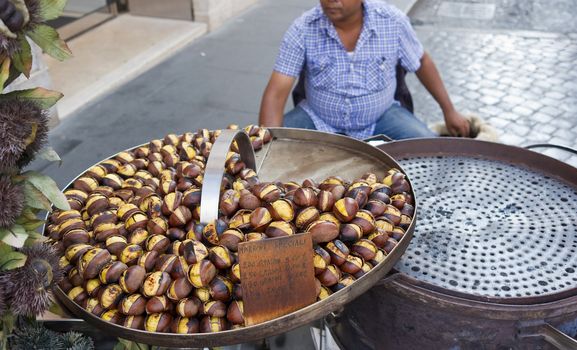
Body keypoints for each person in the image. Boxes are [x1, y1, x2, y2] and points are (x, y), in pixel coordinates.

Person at [258, 0, 470, 140]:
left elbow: (422, 62)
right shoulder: (303, 28)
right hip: (316, 119)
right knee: (263, 144)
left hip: (382, 117)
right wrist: (269, 146)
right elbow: (276, 93)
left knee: (429, 149)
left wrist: (449, 111)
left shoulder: (392, 22)